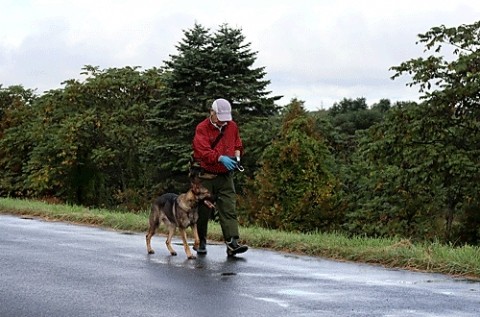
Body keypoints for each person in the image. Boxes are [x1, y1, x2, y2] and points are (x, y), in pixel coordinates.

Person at [192, 98, 248, 256]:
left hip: (225, 176)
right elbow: (202, 151)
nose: (223, 122)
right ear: (212, 113)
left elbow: (238, 144)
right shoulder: (202, 128)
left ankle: (232, 243)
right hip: (206, 176)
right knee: (203, 210)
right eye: (220, 118)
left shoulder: (232, 126)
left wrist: (236, 158)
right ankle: (201, 241)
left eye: (226, 119)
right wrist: (220, 157)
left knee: (228, 208)